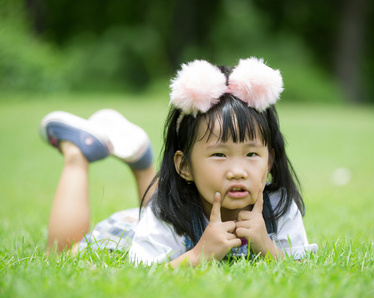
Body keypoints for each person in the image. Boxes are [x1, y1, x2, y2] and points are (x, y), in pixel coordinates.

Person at [41, 57, 317, 268]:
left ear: (270, 161)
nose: (237, 171)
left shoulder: (279, 208)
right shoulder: (163, 216)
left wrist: (266, 246)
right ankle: (76, 156)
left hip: (164, 212)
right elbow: (143, 274)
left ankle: (140, 161)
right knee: (62, 255)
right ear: (184, 166)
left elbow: (300, 268)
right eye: (219, 154)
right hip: (135, 230)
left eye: (252, 154)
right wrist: (199, 254)